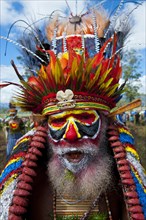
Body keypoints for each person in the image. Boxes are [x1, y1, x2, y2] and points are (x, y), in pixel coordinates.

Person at [0, 3, 146, 220]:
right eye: (59, 121)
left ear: (105, 123)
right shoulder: (27, 174)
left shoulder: (124, 170)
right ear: (46, 127)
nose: (71, 134)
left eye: (85, 117)